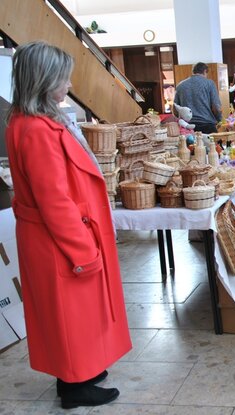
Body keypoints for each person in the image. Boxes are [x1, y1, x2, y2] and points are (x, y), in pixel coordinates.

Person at [5, 41, 131, 409]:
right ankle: (75, 387)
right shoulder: (38, 130)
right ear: (44, 81)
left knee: (74, 314)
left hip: (53, 236)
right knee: (69, 315)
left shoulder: (29, 121)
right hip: (60, 239)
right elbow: (54, 202)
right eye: (62, 78)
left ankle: (80, 372)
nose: (68, 83)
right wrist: (83, 249)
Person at [174, 62, 223, 134]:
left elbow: (175, 109)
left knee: (191, 145)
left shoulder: (180, 85)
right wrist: (219, 119)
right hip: (207, 125)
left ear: (193, 71)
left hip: (188, 128)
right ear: (205, 71)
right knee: (212, 145)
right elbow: (216, 107)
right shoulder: (209, 84)